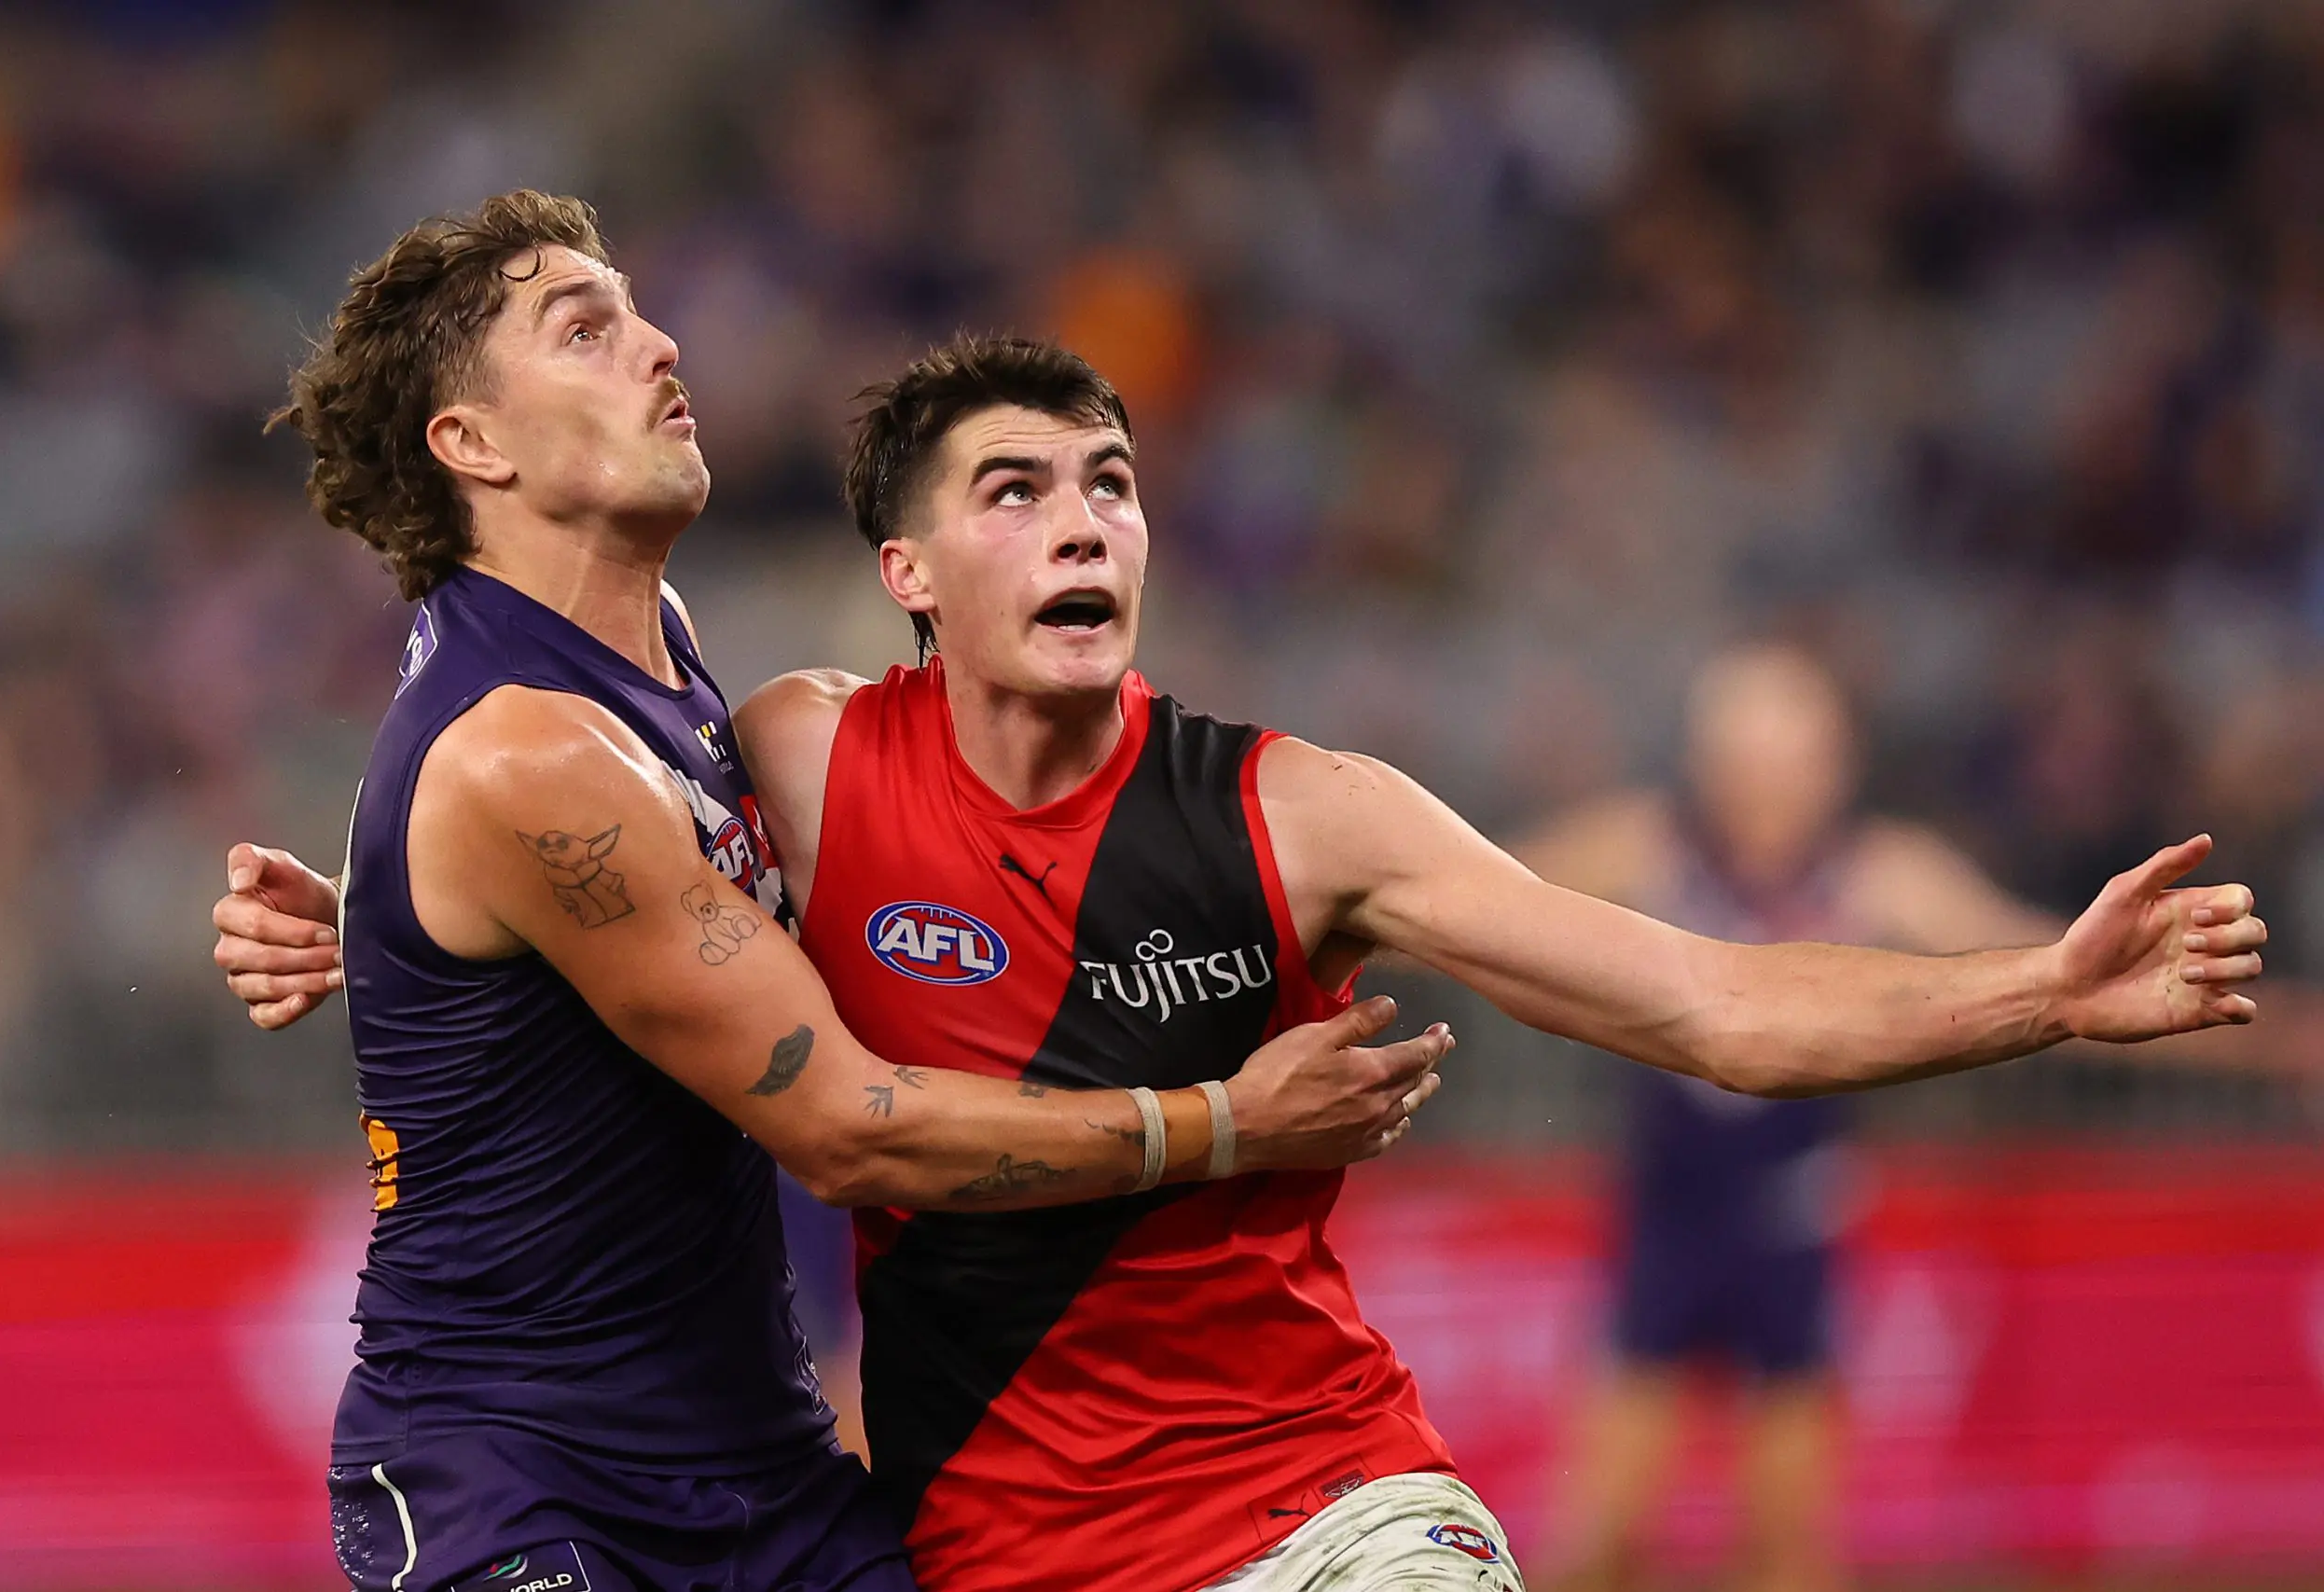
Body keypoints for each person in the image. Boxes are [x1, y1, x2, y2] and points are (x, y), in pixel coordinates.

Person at [218, 311, 2268, 1591]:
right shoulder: (799, 758)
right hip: (981, 1548)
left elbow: (1709, 1000)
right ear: (908, 572)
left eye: (1108, 482)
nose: (1082, 521)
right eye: (1011, 491)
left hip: (1315, 1509)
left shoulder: (1310, 816)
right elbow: (590, 891)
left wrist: (2041, 992)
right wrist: (387, 924)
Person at [222, 194, 1450, 1592]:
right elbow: (844, 1126)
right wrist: (1229, 1121)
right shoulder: (525, 749)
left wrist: (380, 915)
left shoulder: (648, 654)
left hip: (760, 1468)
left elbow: (638, 886)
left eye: (638, 310)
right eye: (587, 328)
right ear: (473, 443)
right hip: (525, 1484)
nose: (662, 344)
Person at [1513, 642, 2316, 1592]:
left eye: (1789, 764)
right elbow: (1450, 907)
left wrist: (2282, 1039)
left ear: (1834, 768)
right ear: (1706, 768)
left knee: (1791, 1554)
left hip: (1791, 1236)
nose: (1767, 793)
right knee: (1598, 1540)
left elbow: (2071, 981)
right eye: (1745, 765)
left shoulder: (1878, 874)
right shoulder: (1643, 849)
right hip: (1666, 1228)